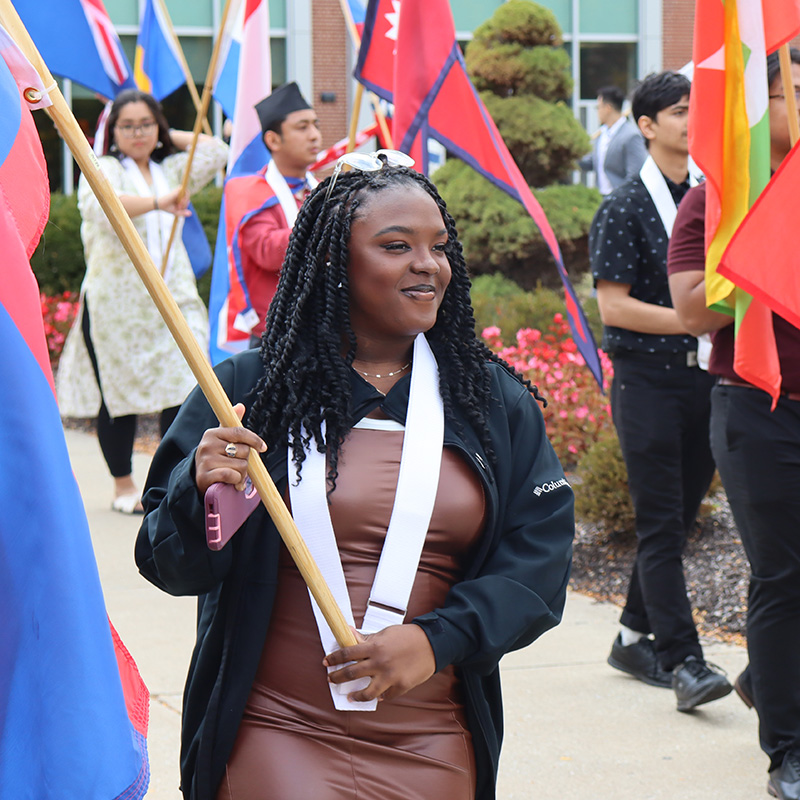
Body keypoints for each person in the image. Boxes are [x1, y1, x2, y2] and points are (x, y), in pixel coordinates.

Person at [135, 153, 575, 800]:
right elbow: (169, 564)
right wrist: (197, 494)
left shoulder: (491, 402)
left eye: (439, 247)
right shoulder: (249, 390)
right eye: (397, 246)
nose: (428, 263)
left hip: (433, 735)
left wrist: (437, 640)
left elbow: (539, 563)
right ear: (333, 266)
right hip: (274, 728)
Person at [668, 48, 800, 800]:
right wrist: (769, 245)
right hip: (759, 409)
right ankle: (788, 748)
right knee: (785, 575)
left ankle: (767, 674)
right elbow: (692, 309)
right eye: (794, 92)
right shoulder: (719, 196)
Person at [589, 71, 732, 711]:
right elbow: (614, 308)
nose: (692, 119)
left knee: (676, 523)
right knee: (660, 522)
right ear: (646, 126)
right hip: (647, 382)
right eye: (680, 111)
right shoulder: (622, 206)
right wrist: (697, 317)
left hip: (706, 379)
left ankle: (629, 637)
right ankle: (685, 661)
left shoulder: (714, 199)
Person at [56, 89, 228, 514]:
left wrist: (167, 135)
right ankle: (122, 485)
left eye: (146, 123)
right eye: (128, 125)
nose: (137, 132)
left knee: (182, 388)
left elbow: (215, 149)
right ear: (112, 131)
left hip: (172, 299)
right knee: (119, 398)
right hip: (118, 307)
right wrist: (159, 202)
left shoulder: (169, 167)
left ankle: (165, 481)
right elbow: (104, 206)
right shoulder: (102, 167)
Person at [222, 81, 321, 346]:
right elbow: (267, 251)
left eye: (315, 124)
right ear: (273, 139)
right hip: (276, 331)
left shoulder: (322, 190)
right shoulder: (249, 191)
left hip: (326, 325)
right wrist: (327, 224)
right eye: (302, 127)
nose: (314, 135)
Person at [579, 85, 647, 195]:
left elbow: (635, 175)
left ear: (608, 108)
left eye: (598, 107)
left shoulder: (631, 135)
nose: (597, 111)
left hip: (620, 199)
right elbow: (592, 162)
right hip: (601, 197)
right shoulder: (602, 133)